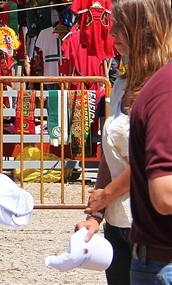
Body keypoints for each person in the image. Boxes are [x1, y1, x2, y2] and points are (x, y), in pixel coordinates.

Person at [113, 0, 172, 285]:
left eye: (118, 25)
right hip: (156, 250)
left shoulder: (157, 83)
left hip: (143, 230)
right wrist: (102, 204)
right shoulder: (164, 89)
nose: (111, 34)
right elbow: (163, 191)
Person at [73, 16, 134, 285]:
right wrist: (95, 215)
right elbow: (110, 152)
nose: (112, 32)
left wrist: (106, 194)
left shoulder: (163, 85)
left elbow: (152, 161)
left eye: (122, 24)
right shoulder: (121, 82)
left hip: (155, 227)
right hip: (119, 224)